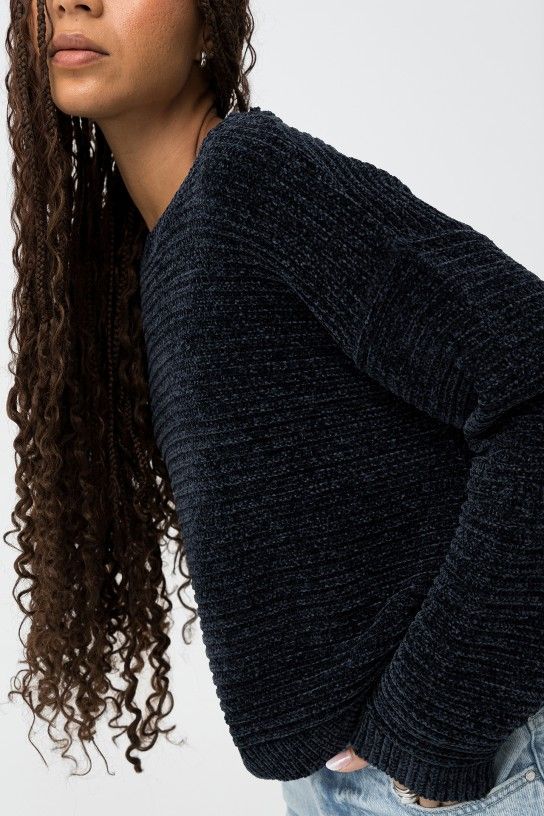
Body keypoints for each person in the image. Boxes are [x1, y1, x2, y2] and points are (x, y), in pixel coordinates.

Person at [8, 2, 544, 814]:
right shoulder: (155, 248)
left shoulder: (250, 181)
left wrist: (433, 723)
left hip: (471, 771)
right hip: (346, 782)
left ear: (210, 24)